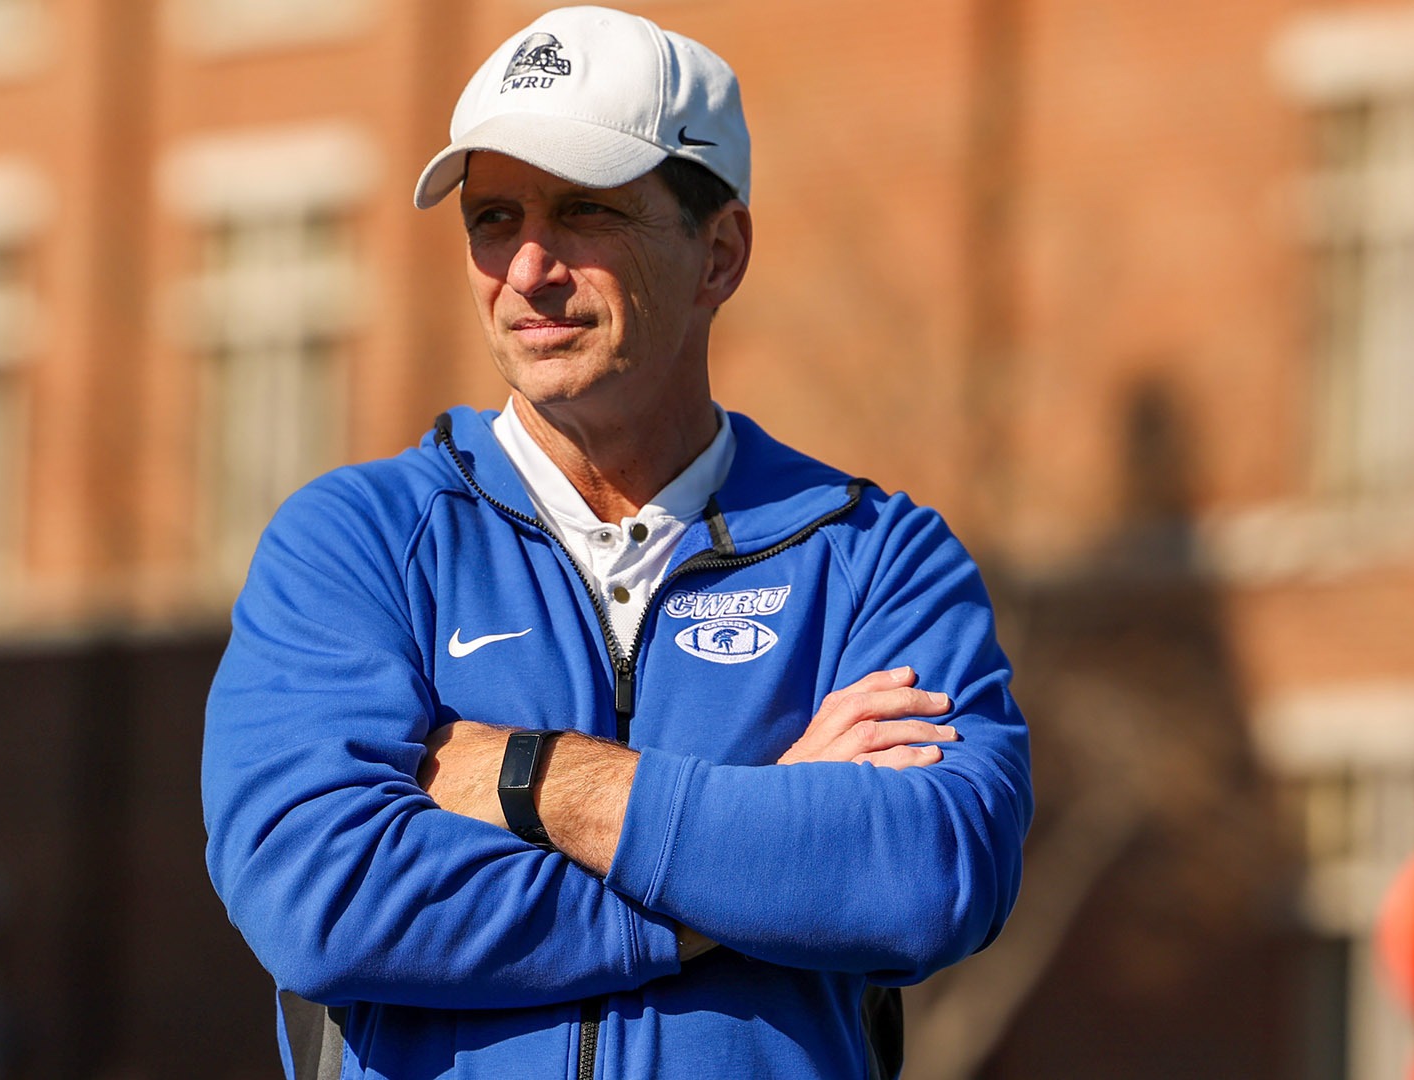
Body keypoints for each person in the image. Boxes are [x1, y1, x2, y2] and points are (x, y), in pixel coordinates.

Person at [202, 6, 1033, 1078]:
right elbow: (324, 898)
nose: (530, 267)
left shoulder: (875, 555)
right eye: (494, 218)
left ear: (719, 252)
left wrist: (534, 778)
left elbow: (929, 878)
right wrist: (754, 851)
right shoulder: (356, 544)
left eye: (585, 210)